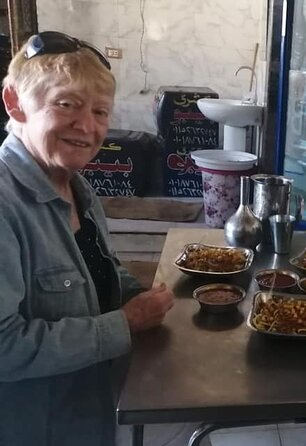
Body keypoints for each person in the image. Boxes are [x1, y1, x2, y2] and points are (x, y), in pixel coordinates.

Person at [0, 31, 174, 446]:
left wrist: (150, 296)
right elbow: (5, 346)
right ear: (14, 102)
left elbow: (101, 268)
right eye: (66, 105)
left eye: (100, 112)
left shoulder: (76, 187)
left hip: (86, 413)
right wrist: (126, 324)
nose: (87, 127)